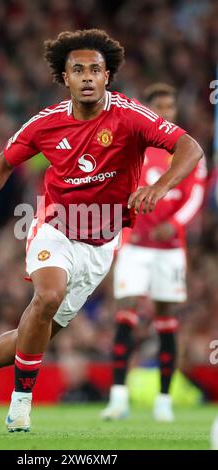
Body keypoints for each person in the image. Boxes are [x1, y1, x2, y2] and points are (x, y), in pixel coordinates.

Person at [0, 30, 203, 432]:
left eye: (96, 69)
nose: (88, 77)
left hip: (101, 244)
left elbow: (190, 148)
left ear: (108, 76)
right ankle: (21, 403)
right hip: (55, 227)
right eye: (78, 70)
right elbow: (3, 162)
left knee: (33, 335)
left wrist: (159, 187)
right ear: (65, 77)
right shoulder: (46, 122)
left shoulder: (130, 115)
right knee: (48, 295)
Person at [101, 83, 207, 422]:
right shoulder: (134, 147)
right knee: (125, 314)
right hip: (135, 246)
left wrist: (174, 225)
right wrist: (123, 234)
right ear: (148, 112)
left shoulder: (188, 150)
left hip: (170, 250)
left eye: (170, 108)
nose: (165, 113)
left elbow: (195, 196)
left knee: (167, 320)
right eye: (158, 107)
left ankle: (164, 399)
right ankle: (118, 397)